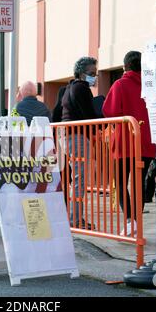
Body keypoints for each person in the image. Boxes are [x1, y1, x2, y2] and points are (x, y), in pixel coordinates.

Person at [102, 51, 156, 236]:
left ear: (125, 66)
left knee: (121, 182)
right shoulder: (150, 85)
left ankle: (129, 221)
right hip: (146, 141)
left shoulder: (119, 84)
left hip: (125, 140)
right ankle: (137, 223)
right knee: (139, 183)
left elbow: (110, 111)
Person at [62, 56, 99, 229]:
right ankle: (75, 220)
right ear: (81, 73)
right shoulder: (82, 89)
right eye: (92, 73)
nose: (94, 77)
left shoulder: (68, 88)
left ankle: (74, 218)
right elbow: (89, 115)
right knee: (79, 181)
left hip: (67, 137)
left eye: (96, 73)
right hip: (78, 138)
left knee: (76, 180)